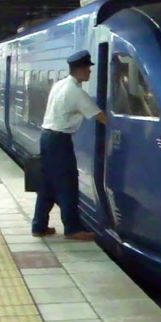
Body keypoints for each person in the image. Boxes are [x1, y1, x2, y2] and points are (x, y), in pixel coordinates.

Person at [31, 50, 106, 240]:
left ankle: (39, 226)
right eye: (88, 69)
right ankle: (73, 228)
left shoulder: (60, 85)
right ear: (80, 70)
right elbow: (101, 117)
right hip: (59, 141)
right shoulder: (76, 92)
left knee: (47, 184)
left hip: (47, 138)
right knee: (68, 183)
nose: (90, 72)